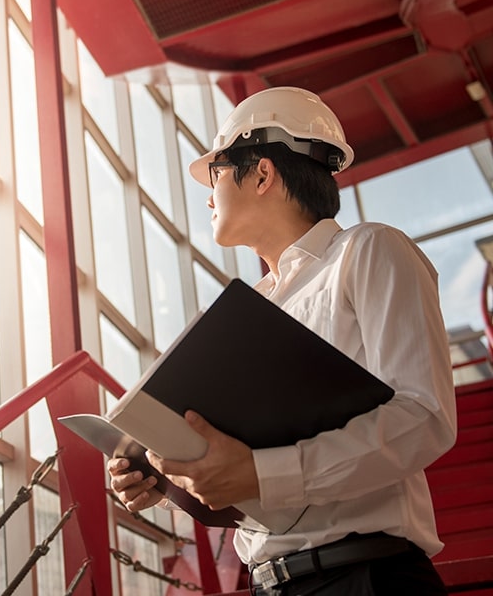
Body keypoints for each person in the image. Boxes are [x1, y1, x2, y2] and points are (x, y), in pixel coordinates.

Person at [108, 86, 457, 595]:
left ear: (264, 173)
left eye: (217, 173)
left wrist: (263, 474)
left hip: (364, 576)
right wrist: (166, 480)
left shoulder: (367, 251)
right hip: (269, 583)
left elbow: (425, 416)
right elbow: (247, 468)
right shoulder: (249, 312)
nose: (208, 194)